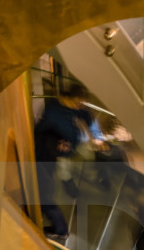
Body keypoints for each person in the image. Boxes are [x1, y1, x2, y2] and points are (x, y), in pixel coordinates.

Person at [33, 81, 103, 240]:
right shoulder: (52, 111)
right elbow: (41, 130)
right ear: (68, 99)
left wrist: (98, 137)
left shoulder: (78, 108)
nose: (81, 107)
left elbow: (88, 117)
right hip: (60, 151)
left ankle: (93, 178)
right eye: (78, 103)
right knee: (63, 171)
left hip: (75, 144)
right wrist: (57, 143)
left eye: (82, 104)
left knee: (88, 159)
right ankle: (68, 183)